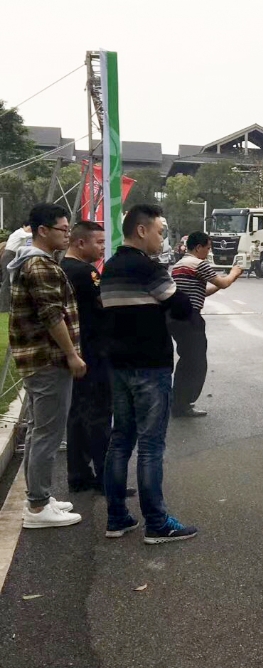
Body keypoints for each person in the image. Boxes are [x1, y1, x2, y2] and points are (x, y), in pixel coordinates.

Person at [101, 204, 198, 544]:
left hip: (119, 366)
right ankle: (156, 522)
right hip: (150, 367)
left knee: (120, 441)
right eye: (159, 231)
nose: (161, 239)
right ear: (141, 230)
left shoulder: (110, 266)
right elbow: (182, 307)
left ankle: (116, 518)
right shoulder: (148, 268)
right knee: (151, 446)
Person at [10, 203, 86, 529]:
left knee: (40, 431)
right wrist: (72, 355)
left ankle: (38, 497)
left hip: (39, 359)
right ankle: (38, 508)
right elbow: (52, 315)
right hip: (48, 360)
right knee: (47, 434)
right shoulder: (40, 266)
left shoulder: (37, 262)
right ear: (43, 230)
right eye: (63, 229)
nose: (67, 234)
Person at [61, 221, 116, 493]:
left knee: (78, 414)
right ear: (80, 243)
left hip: (77, 349)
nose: (102, 247)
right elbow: (103, 304)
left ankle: (79, 475)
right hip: (94, 350)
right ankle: (105, 477)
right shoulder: (86, 272)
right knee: (99, 414)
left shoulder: (62, 268)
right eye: (99, 242)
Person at [169, 232, 242, 417]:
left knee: (187, 360)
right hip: (190, 317)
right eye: (208, 248)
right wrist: (234, 273)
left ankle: (178, 401)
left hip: (177, 317)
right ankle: (183, 403)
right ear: (199, 247)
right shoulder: (197, 264)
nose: (208, 252)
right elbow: (223, 282)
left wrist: (224, 283)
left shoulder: (179, 265)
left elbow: (202, 292)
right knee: (196, 362)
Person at [0, 220, 32, 312]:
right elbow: (28, 235)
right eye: (30, 228)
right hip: (9, 255)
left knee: (13, 280)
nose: (30, 230)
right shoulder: (19, 232)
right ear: (24, 226)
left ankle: (12, 305)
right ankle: (3, 307)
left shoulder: (24, 237)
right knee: (7, 281)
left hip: (15, 257)